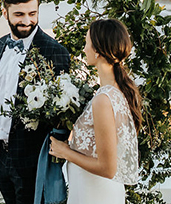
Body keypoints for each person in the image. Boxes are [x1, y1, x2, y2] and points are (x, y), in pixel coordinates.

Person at [0, 0, 70, 204]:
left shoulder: (54, 52)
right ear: (5, 13)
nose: (27, 21)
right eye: (19, 14)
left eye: (32, 14)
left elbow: (62, 114)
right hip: (0, 157)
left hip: (32, 162)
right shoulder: (0, 45)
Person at [49, 18, 141, 204]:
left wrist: (65, 152)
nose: (84, 49)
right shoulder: (113, 91)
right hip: (90, 189)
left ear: (98, 51)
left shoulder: (104, 100)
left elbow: (108, 168)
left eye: (87, 43)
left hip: (95, 193)